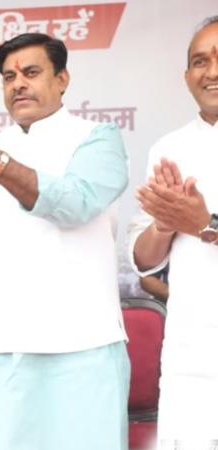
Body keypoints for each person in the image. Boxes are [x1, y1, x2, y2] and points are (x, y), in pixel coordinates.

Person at [0, 33, 129, 450]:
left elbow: (76, 204)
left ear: (62, 79)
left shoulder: (96, 137)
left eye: (31, 73)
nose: (18, 84)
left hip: (83, 346)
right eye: (8, 77)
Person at [129, 16, 218, 446]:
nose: (212, 71)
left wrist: (206, 225)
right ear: (186, 77)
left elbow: (203, 226)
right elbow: (143, 259)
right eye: (200, 61)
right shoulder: (168, 149)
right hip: (192, 356)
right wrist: (164, 226)